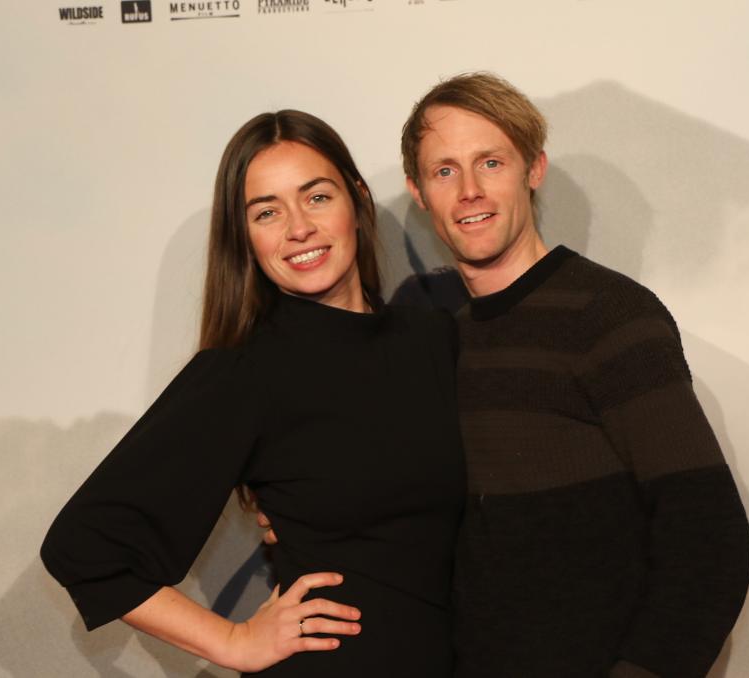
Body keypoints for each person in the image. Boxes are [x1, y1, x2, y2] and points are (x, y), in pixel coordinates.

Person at [40, 110, 465, 677]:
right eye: (268, 212)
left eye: (317, 197)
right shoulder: (245, 371)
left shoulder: (434, 337)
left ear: (358, 200)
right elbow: (85, 546)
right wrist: (233, 640)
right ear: (245, 237)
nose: (299, 228)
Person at [393, 73, 749, 677]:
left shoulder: (608, 315)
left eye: (491, 163)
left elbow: (708, 535)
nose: (470, 191)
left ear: (534, 169)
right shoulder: (441, 338)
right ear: (419, 192)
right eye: (445, 170)